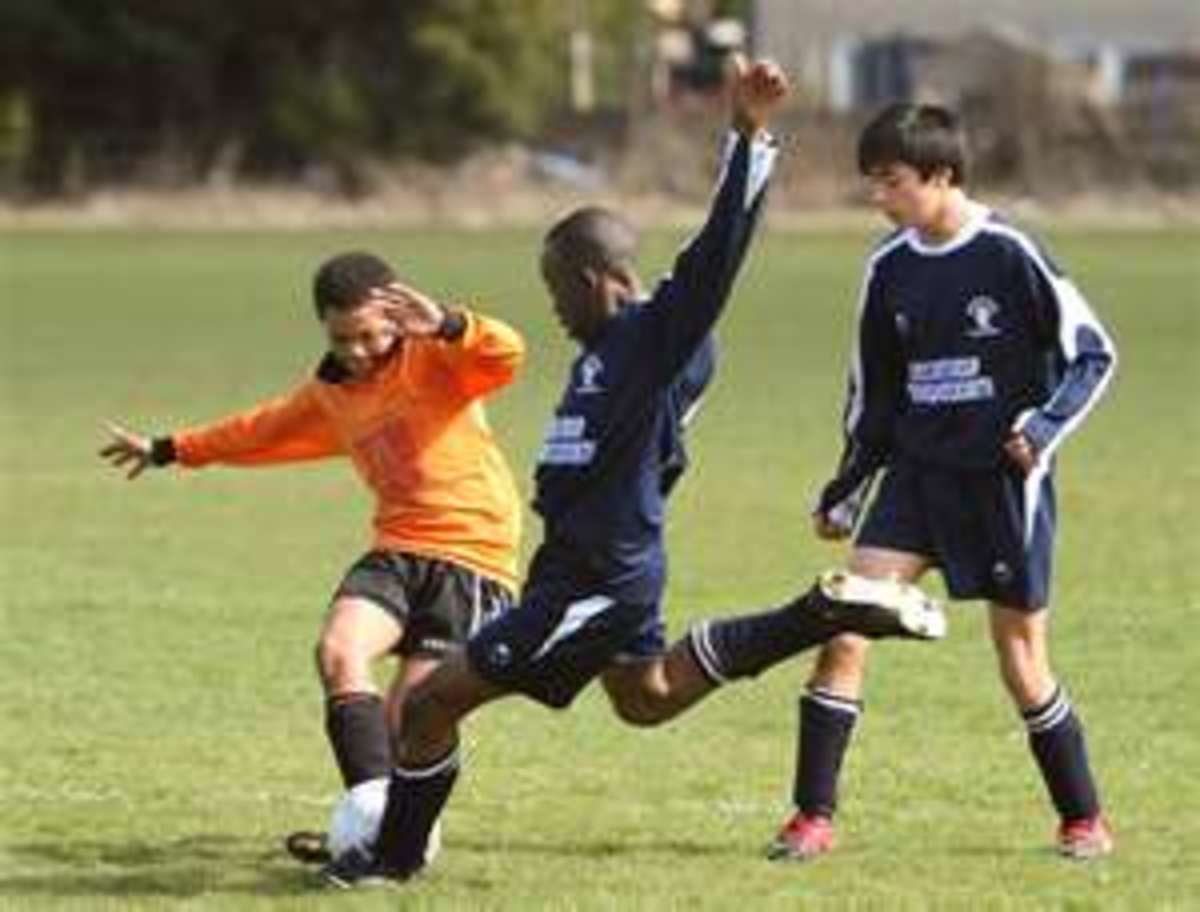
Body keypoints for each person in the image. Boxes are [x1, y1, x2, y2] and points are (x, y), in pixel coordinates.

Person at [319, 58, 947, 889]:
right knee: (646, 696)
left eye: (554, 288)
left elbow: (716, 257)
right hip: (601, 565)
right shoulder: (607, 355)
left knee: (432, 706)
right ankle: (817, 612)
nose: (550, 305)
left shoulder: (652, 339)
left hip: (594, 575)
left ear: (593, 282)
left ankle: (389, 865)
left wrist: (749, 137)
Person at [767, 102, 1119, 864]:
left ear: (941, 175)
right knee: (843, 625)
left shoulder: (1011, 252)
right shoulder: (887, 268)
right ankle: (811, 818)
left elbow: (1095, 355)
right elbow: (876, 397)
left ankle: (1083, 819)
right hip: (916, 480)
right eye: (873, 183)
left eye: (889, 181)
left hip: (999, 485)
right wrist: (847, 487)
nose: (878, 198)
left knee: (1021, 660)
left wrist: (1041, 431)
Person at [98, 252, 525, 860]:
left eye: (372, 333)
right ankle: (376, 816)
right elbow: (260, 428)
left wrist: (452, 323)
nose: (357, 349)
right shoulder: (332, 392)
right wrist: (169, 449)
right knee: (338, 651)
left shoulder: (438, 358)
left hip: (472, 557)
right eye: (341, 337)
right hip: (396, 549)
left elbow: (506, 354)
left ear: (399, 315)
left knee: (414, 718)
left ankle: (388, 844)